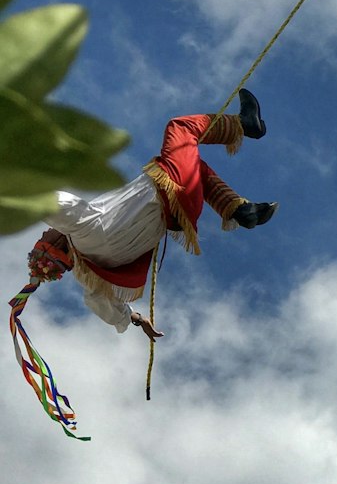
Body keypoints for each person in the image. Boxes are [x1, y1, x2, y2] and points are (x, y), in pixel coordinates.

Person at [10, 90, 277, 436]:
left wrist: (136, 319)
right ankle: (245, 125)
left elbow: (105, 307)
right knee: (180, 128)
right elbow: (48, 201)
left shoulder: (91, 273)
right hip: (170, 190)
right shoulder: (83, 229)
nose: (47, 230)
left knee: (191, 158)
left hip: (179, 212)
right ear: (56, 242)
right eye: (46, 234)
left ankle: (241, 210)